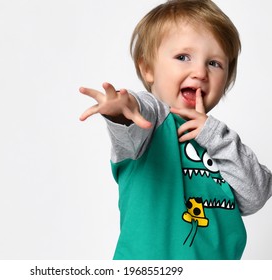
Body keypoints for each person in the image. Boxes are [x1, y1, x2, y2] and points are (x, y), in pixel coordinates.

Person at [79, 0, 272, 259]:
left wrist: (216, 137)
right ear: (147, 69)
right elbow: (139, 111)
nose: (200, 71)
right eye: (183, 57)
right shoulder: (151, 123)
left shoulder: (219, 141)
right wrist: (122, 108)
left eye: (214, 63)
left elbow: (255, 196)